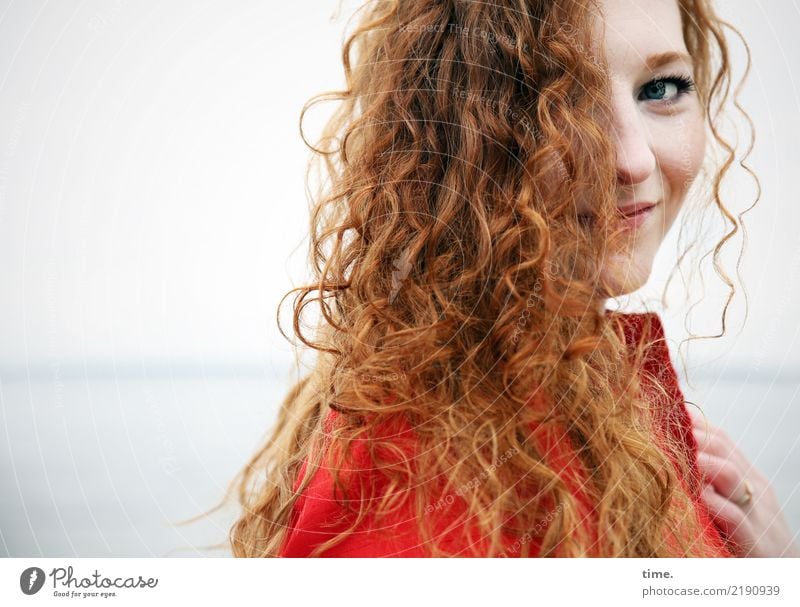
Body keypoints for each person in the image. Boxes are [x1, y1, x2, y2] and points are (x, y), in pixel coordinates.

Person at [230, 0, 799, 557]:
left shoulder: (586, 398)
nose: (634, 161)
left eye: (661, 89)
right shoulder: (418, 475)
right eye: (560, 100)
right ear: (452, 136)